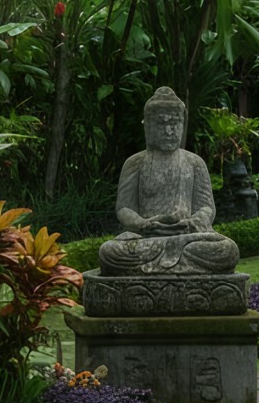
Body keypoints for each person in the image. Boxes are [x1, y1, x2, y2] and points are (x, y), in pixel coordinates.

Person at [98, 87, 240, 274]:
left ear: (182, 124)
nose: (168, 131)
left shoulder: (194, 162)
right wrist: (144, 224)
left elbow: (207, 207)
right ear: (148, 126)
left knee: (226, 249)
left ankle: (157, 269)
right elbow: (124, 208)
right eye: (161, 124)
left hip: (187, 237)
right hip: (147, 239)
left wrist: (192, 222)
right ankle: (182, 269)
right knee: (109, 252)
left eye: (174, 123)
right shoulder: (135, 163)